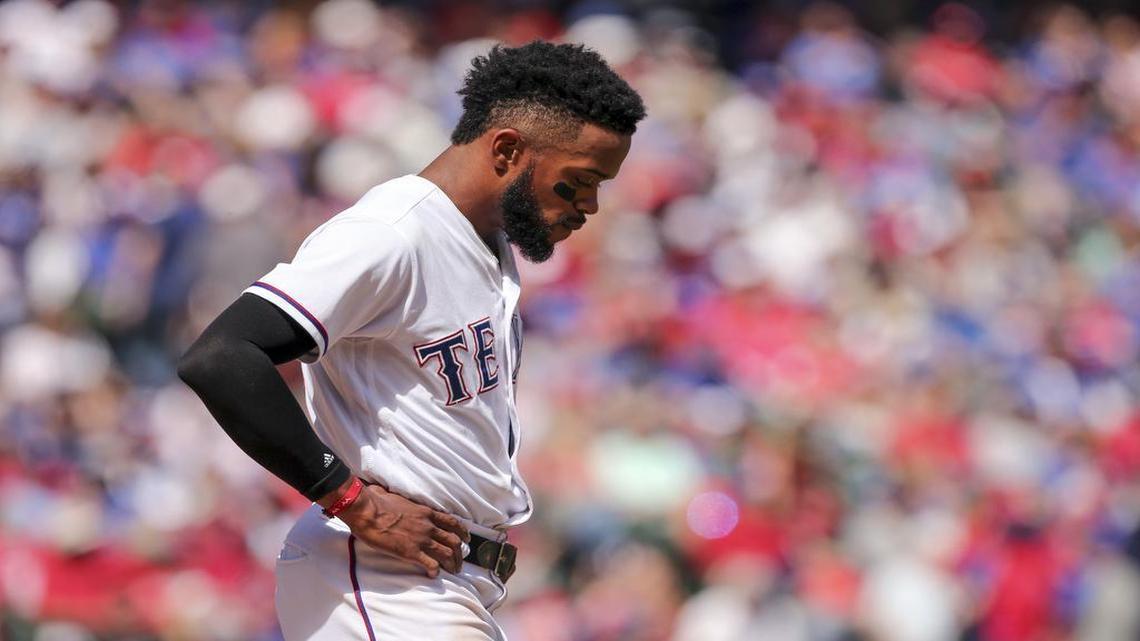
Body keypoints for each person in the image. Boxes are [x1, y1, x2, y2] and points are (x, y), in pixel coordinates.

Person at [177, 41, 645, 640]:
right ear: (506, 149)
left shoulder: (479, 240)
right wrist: (351, 500)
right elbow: (221, 356)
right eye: (576, 182)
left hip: (438, 583)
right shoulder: (393, 233)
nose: (591, 204)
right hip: (382, 579)